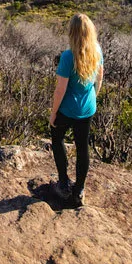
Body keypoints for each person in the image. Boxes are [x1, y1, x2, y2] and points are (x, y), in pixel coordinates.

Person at [49, 13, 103, 207]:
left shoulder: (67, 56)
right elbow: (99, 79)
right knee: (82, 147)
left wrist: (53, 113)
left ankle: (63, 182)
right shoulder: (97, 50)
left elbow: (60, 90)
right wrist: (93, 97)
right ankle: (79, 189)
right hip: (87, 108)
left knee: (57, 138)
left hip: (67, 109)